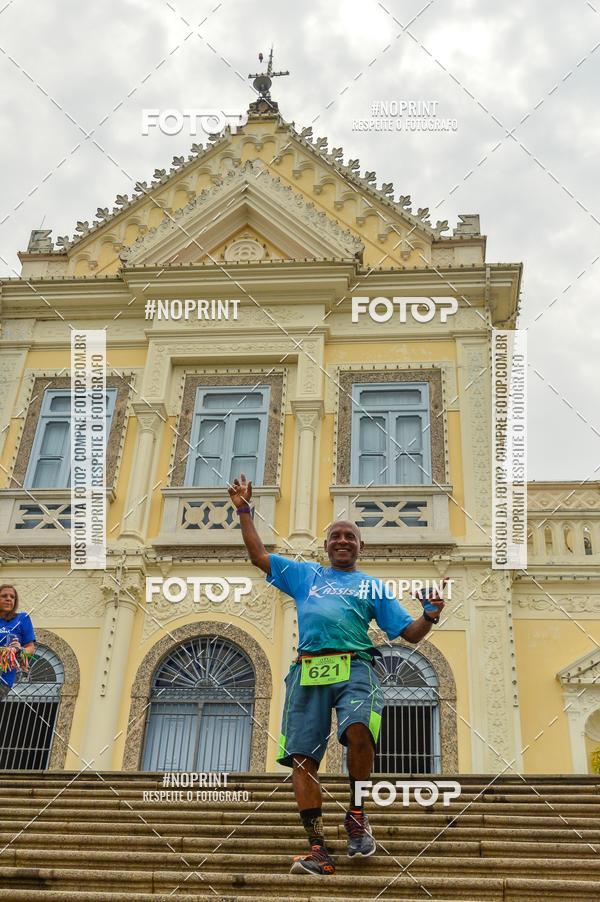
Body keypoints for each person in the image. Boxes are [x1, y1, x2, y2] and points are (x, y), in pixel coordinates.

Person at [228, 473, 445, 877]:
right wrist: (243, 510)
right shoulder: (304, 575)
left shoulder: (371, 586)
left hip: (356, 666)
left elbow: (410, 635)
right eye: (335, 537)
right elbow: (258, 556)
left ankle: (357, 815)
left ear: (361, 547)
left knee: (360, 730)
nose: (342, 541)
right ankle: (318, 849)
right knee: (302, 758)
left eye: (350, 537)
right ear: (326, 546)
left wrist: (430, 615)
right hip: (308, 670)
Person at [0, 585, 36, 701]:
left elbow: (30, 648)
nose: (8, 599)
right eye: (4, 596)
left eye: (12, 597)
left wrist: (19, 650)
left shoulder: (22, 618)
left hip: (4, 679)